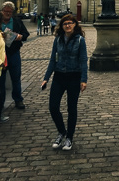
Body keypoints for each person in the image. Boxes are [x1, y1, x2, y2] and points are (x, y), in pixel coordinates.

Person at [43, 15, 88, 151]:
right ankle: (62, 131)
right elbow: (53, 60)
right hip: (59, 76)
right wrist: (46, 78)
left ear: (74, 24)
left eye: (70, 23)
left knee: (71, 109)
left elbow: (83, 60)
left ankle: (69, 137)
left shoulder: (80, 40)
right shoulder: (58, 40)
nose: (67, 25)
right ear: (61, 26)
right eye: (65, 24)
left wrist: (83, 80)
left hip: (74, 77)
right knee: (53, 107)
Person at [1, 2, 30, 112]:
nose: (8, 13)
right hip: (0, 55)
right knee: (1, 79)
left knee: (16, 78)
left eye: (10, 12)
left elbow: (26, 34)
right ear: (2, 11)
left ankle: (18, 99)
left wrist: (20, 36)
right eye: (6, 11)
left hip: (13, 53)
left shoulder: (17, 21)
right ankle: (1, 102)